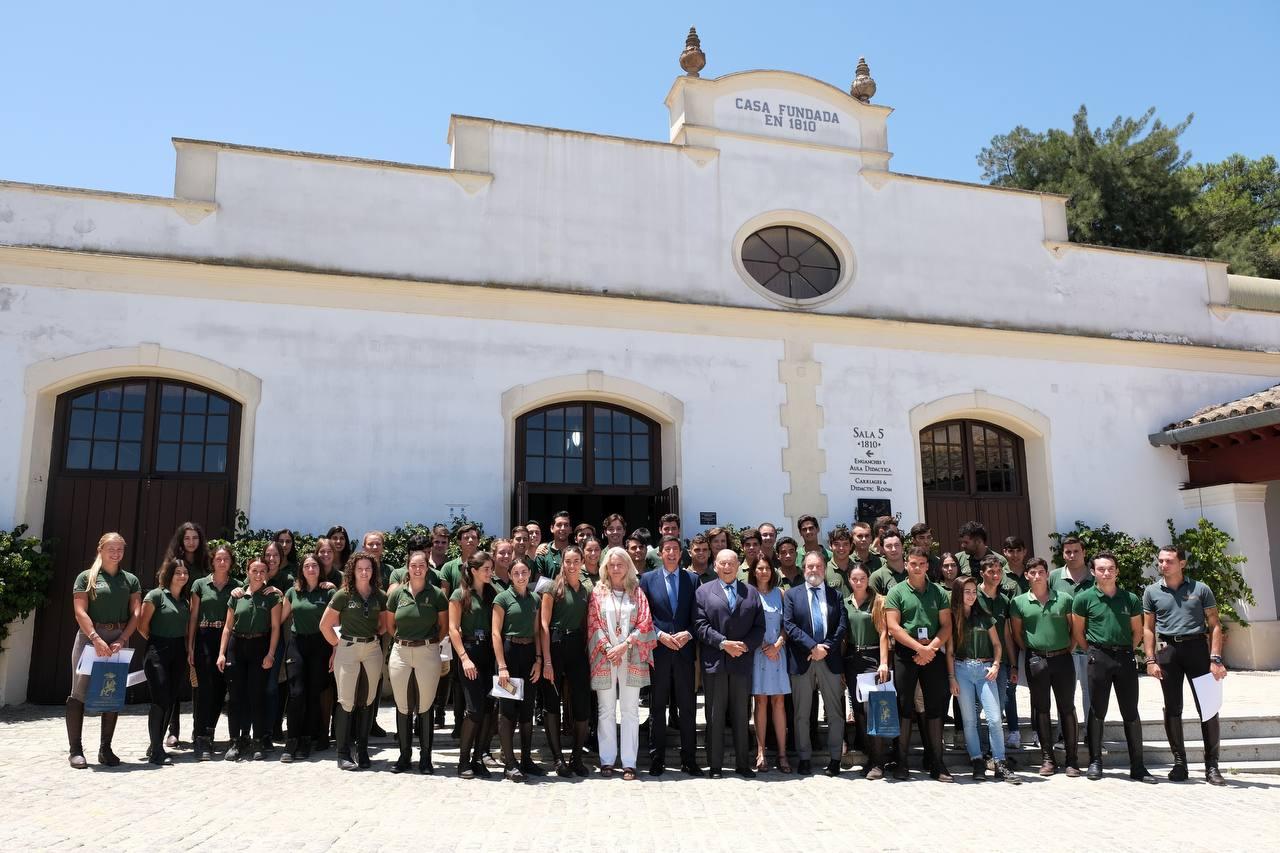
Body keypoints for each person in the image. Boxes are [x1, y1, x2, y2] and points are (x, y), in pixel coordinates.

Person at [1143, 545, 1228, 786]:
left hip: (1197, 650)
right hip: (1168, 651)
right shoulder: (1152, 591)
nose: (1163, 565)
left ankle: (1212, 767)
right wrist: (1150, 660)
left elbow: (1214, 624)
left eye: (1169, 561)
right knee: (1172, 708)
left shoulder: (1200, 589)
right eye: (1160, 561)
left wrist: (1216, 658)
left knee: (1208, 708)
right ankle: (1180, 764)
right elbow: (1148, 628)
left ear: (1182, 563)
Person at [1069, 552, 1156, 783]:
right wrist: (1093, 651)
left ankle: (1138, 766)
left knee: (1131, 711)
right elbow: (1078, 632)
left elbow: (1138, 631)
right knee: (1097, 710)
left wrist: (1127, 650)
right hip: (1099, 657)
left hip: (1125, 657)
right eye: (1101, 569)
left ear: (1117, 571)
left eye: (1110, 568)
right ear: (1093, 572)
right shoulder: (1083, 598)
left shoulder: (1130, 598)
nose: (1106, 573)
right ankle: (1095, 762)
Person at [67, 532, 140, 769]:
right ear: (100, 549)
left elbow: (136, 612)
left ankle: (105, 749)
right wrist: (95, 638)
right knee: (79, 690)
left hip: (119, 637)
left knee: (112, 690)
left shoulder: (130, 580)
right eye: (111, 548)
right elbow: (80, 611)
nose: (116, 553)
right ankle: (75, 750)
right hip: (90, 638)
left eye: (120, 549)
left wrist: (124, 637)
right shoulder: (86, 578)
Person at [694, 548, 765, 779]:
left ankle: (743, 764)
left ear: (738, 566)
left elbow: (759, 627)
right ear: (715, 566)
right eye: (722, 563)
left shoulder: (751, 593)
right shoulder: (703, 592)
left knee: (741, 715)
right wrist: (724, 644)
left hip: (741, 662)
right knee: (714, 714)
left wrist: (743, 646)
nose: (727, 567)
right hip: (715, 662)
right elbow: (700, 625)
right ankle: (715, 765)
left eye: (731, 563)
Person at [884, 546, 953, 781]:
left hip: (933, 654)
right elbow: (893, 626)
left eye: (922, 563)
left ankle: (937, 763)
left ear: (927, 566)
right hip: (906, 655)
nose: (917, 567)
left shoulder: (939, 592)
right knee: (904, 707)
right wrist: (919, 648)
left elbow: (946, 625)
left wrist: (930, 648)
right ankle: (901, 764)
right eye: (913, 563)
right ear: (906, 564)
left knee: (934, 708)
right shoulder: (896, 592)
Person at [587, 547, 656, 780]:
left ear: (628, 566)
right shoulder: (598, 592)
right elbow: (594, 623)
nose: (616, 569)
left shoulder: (637, 592)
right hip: (604, 657)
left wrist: (624, 645)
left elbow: (645, 622)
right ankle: (607, 761)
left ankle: (629, 762)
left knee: (630, 710)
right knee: (605, 710)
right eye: (612, 565)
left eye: (620, 564)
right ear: (605, 567)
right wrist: (608, 648)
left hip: (631, 654)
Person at [1010, 557, 1081, 777]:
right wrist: (1034, 652)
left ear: (1047, 574)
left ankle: (1072, 760)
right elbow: (1018, 634)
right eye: (1033, 573)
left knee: (1067, 708)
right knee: (1041, 709)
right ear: (1027, 576)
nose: (1038, 576)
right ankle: (1047, 758)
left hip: (1062, 659)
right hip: (1036, 660)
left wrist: (1065, 649)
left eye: (1041, 572)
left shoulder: (1064, 599)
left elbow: (1074, 631)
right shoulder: (1019, 602)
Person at [318, 551, 386, 771]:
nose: (364, 572)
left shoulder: (380, 596)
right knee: (346, 701)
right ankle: (343, 753)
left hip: (372, 649)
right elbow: (325, 625)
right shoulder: (343, 595)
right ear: (352, 571)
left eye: (368, 568)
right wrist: (338, 646)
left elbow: (384, 625)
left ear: (373, 571)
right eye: (360, 569)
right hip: (348, 647)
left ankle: (363, 751)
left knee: (367, 700)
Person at [947, 576, 1019, 783]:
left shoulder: (984, 615)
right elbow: (950, 652)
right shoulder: (952, 619)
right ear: (958, 594)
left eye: (973, 591)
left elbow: (998, 644)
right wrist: (951, 677)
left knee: (995, 718)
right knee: (970, 720)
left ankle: (1000, 762)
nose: (970, 596)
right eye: (966, 592)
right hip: (961, 669)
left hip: (985, 670)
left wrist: (996, 664)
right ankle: (977, 760)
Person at [782, 551, 848, 776]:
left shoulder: (835, 595)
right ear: (803, 568)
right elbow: (789, 625)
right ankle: (804, 758)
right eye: (810, 566)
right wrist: (812, 647)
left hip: (829, 659)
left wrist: (825, 648)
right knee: (801, 713)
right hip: (803, 659)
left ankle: (835, 759)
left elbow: (841, 625)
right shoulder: (792, 595)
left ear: (824, 568)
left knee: (835, 712)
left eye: (818, 566)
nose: (814, 570)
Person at [640, 535, 701, 776]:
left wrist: (689, 633)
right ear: (661, 553)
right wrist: (659, 634)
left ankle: (689, 759)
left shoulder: (693, 580)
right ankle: (657, 759)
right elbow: (643, 616)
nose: (672, 553)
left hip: (685, 652)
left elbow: (699, 616)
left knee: (687, 707)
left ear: (681, 553)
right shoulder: (647, 580)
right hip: (660, 651)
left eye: (676, 549)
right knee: (657, 707)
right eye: (667, 549)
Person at [386, 549, 448, 774]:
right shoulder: (397, 594)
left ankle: (425, 757)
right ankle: (404, 756)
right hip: (401, 652)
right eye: (413, 565)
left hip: (427, 651)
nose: (418, 569)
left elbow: (443, 626)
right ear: (408, 568)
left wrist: (429, 644)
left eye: (422, 565)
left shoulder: (437, 595)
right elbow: (390, 625)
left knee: (425, 705)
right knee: (403, 705)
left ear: (427, 568)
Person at [217, 557, 282, 762]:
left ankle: (258, 741)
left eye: (262, 571)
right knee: (235, 697)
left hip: (259, 646)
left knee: (257, 696)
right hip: (237, 646)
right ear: (247, 571)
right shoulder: (236, 595)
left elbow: (275, 628)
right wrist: (222, 653)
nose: (258, 574)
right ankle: (236, 741)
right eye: (254, 570)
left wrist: (270, 654)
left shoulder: (271, 596)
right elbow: (227, 627)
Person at [540, 545, 594, 776]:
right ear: (562, 562)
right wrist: (547, 661)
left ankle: (576, 757)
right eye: (567, 561)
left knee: (582, 703)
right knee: (552, 703)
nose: (571, 565)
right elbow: (543, 624)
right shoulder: (552, 587)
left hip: (577, 648)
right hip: (555, 644)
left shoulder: (586, 589)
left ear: (582, 562)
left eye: (575, 561)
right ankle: (558, 759)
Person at [492, 558, 544, 782]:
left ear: (530, 574)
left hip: (529, 654)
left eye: (524, 572)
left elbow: (537, 631)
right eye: (516, 573)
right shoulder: (502, 598)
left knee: (526, 709)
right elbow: (496, 633)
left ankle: (526, 759)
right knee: (507, 710)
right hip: (509, 654)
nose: (521, 576)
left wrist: (539, 660)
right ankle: (509, 763)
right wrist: (502, 665)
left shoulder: (535, 598)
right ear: (511, 575)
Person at [279, 553, 334, 763]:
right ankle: (291, 740)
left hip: (321, 645)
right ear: (301, 570)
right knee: (296, 693)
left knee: (313, 694)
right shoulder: (293, 592)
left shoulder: (329, 591)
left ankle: (306, 740)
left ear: (320, 569)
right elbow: (279, 617)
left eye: (314, 566)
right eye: (307, 566)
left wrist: (336, 650)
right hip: (297, 644)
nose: (311, 569)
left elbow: (337, 622)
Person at [159, 522, 209, 750]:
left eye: (195, 538)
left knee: (198, 682)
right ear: (180, 541)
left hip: (200, 628)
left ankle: (199, 729)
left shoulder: (205, 565)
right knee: (174, 682)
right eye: (187, 538)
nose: (191, 542)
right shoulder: (172, 565)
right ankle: (173, 730)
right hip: (178, 628)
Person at [448, 552, 497, 779]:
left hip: (489, 652)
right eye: (486, 568)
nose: (490, 572)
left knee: (488, 709)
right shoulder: (460, 595)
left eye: (491, 568)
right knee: (474, 710)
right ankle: (463, 760)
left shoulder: (492, 593)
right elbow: (453, 629)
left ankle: (478, 758)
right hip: (470, 652)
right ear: (474, 570)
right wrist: (464, 657)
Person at [139, 556, 191, 765]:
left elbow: (186, 630)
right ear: (169, 574)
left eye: (185, 573)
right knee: (160, 699)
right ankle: (157, 751)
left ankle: (155, 744)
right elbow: (143, 626)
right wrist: (157, 643)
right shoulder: (156, 596)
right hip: (157, 651)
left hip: (178, 651)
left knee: (170, 699)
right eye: (178, 572)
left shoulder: (185, 601)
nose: (182, 576)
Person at [187, 543, 236, 760]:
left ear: (231, 562)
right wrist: (190, 645)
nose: (222, 562)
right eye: (219, 559)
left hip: (226, 639)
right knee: (204, 690)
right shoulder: (200, 585)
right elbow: (193, 617)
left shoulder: (236, 586)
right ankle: (200, 738)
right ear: (212, 561)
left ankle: (210, 732)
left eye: (226, 559)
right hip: (205, 636)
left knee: (219, 689)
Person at [841, 562, 890, 778]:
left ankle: (879, 761)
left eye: (862, 578)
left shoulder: (878, 601)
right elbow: (843, 636)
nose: (858, 582)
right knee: (860, 711)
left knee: (875, 710)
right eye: (854, 579)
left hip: (873, 659)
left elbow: (883, 633)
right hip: (853, 658)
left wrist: (884, 662)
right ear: (849, 581)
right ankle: (870, 758)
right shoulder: (845, 603)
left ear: (868, 578)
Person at [749, 556, 792, 773]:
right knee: (761, 701)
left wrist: (778, 644)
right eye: (760, 568)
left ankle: (782, 754)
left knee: (779, 702)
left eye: (767, 568)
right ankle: (761, 752)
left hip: (778, 652)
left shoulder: (780, 593)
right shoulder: (749, 593)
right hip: (758, 653)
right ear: (754, 571)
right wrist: (764, 644)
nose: (764, 572)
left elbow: (788, 624)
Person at [1052, 535, 1094, 720]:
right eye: (1068, 552)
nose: (1072, 555)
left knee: (1090, 691)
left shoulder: (1096, 576)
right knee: (1065, 694)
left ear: (1084, 552)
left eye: (1076, 551)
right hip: (1063, 647)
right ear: (1063, 554)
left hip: (1089, 645)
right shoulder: (1053, 577)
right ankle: (1064, 734)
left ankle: (1092, 734)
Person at [868, 530, 909, 596]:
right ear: (882, 549)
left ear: (902, 547)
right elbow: (874, 604)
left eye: (897, 545)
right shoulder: (877, 577)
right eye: (889, 546)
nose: (894, 549)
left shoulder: (914, 571)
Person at [536, 511, 573, 580]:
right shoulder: (543, 553)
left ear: (570, 529)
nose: (563, 528)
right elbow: (539, 585)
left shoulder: (576, 552)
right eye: (559, 525)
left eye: (566, 525)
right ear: (552, 528)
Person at [824, 525, 858, 596]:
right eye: (837, 544)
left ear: (851, 546)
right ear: (830, 545)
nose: (841, 548)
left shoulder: (859, 569)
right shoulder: (824, 571)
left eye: (845, 544)